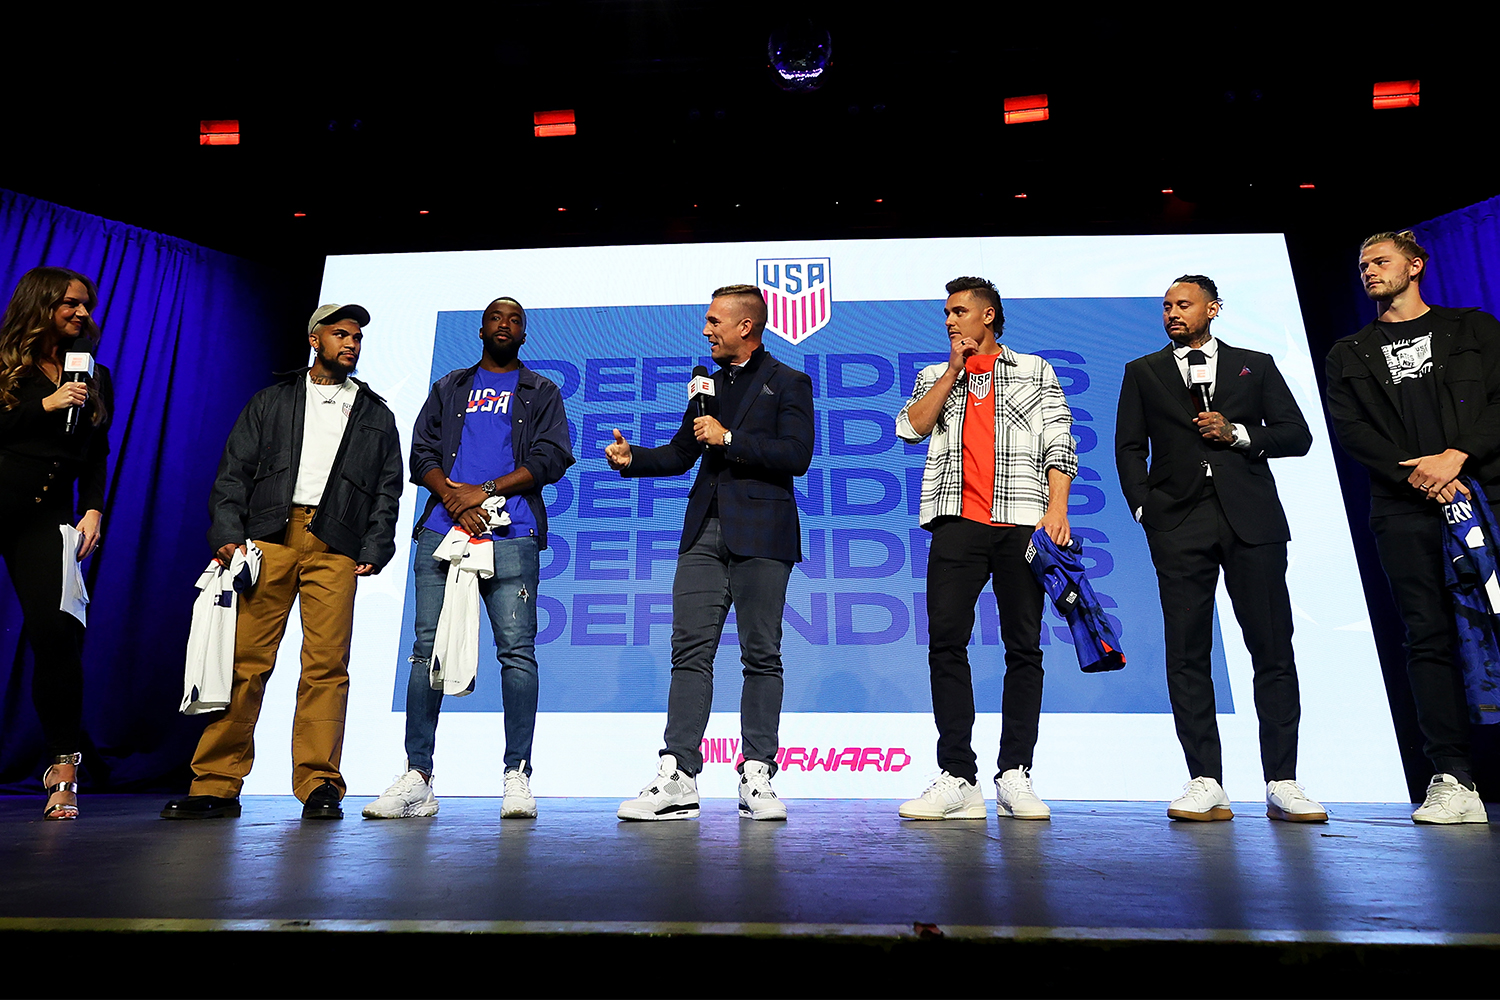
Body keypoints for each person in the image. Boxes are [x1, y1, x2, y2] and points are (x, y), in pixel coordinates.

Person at [161, 304, 402, 821]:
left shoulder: (375, 414)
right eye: (341, 334)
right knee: (244, 663)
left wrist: (376, 545)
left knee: (327, 667)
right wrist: (227, 534)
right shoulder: (273, 401)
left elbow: (388, 488)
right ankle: (217, 783)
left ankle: (319, 783)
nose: (352, 343)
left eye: (358, 336)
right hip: (269, 537)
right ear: (315, 338)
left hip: (335, 543)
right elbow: (233, 472)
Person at [1115, 275, 1325, 822]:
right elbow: (1129, 445)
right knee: (1187, 652)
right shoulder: (1143, 371)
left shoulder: (1253, 364)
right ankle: (1205, 780)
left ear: (1213, 308)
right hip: (1177, 522)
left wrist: (1237, 432)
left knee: (1273, 649)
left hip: (1251, 520)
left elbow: (1296, 436)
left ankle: (1283, 780)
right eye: (1166, 307)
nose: (1172, 314)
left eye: (1183, 305)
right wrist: (1144, 508)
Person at [607, 284, 813, 821]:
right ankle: (678, 774)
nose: (706, 330)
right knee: (689, 653)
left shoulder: (789, 382)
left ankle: (757, 774)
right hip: (703, 534)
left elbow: (797, 455)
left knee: (761, 654)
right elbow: (681, 454)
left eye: (714, 321)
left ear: (746, 325)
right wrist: (633, 460)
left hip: (764, 535)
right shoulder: (705, 385)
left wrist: (728, 440)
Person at [363, 297, 573, 820]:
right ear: (481, 330)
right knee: (425, 650)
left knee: (517, 653)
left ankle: (517, 774)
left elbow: (552, 457)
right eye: (496, 318)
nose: (505, 325)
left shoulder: (541, 391)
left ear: (524, 334)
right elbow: (423, 452)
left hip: (513, 533)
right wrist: (455, 499)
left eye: (515, 320)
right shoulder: (451, 387)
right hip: (442, 530)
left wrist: (481, 490)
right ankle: (418, 777)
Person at [1325, 231, 1500, 824]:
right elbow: (1352, 432)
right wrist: (1422, 475)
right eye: (1362, 264)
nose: (1369, 271)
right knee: (1426, 640)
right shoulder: (1349, 351)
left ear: (1415, 265)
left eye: (1380, 261)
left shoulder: (1473, 330)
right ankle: (1454, 779)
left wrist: (1457, 458)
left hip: (1482, 498)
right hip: (1403, 510)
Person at [894, 276, 1075, 822]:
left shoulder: (1033, 369)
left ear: (989, 316)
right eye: (946, 314)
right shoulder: (934, 375)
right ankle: (957, 776)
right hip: (956, 524)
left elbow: (1059, 437)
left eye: (959, 312)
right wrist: (952, 369)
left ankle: (1015, 773)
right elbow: (910, 428)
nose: (950, 320)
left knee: (1024, 647)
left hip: (1022, 521)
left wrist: (1058, 508)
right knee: (946, 645)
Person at [0, 266, 111, 820]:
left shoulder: (92, 375)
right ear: (41, 303)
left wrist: (92, 508)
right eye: (71, 303)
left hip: (47, 517)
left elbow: (96, 452)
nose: (81, 313)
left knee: (56, 634)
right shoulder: (4, 363)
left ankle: (63, 766)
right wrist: (42, 406)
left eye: (86, 305)